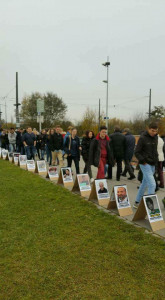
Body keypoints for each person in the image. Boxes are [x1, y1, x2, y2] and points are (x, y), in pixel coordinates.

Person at [133, 122, 158, 208]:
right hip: (145, 164)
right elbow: (136, 152)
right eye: (152, 130)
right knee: (152, 184)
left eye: (155, 131)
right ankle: (149, 207)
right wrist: (143, 161)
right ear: (149, 129)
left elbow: (155, 151)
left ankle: (137, 202)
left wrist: (156, 161)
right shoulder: (142, 138)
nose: (154, 132)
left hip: (153, 164)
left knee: (144, 184)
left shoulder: (156, 138)